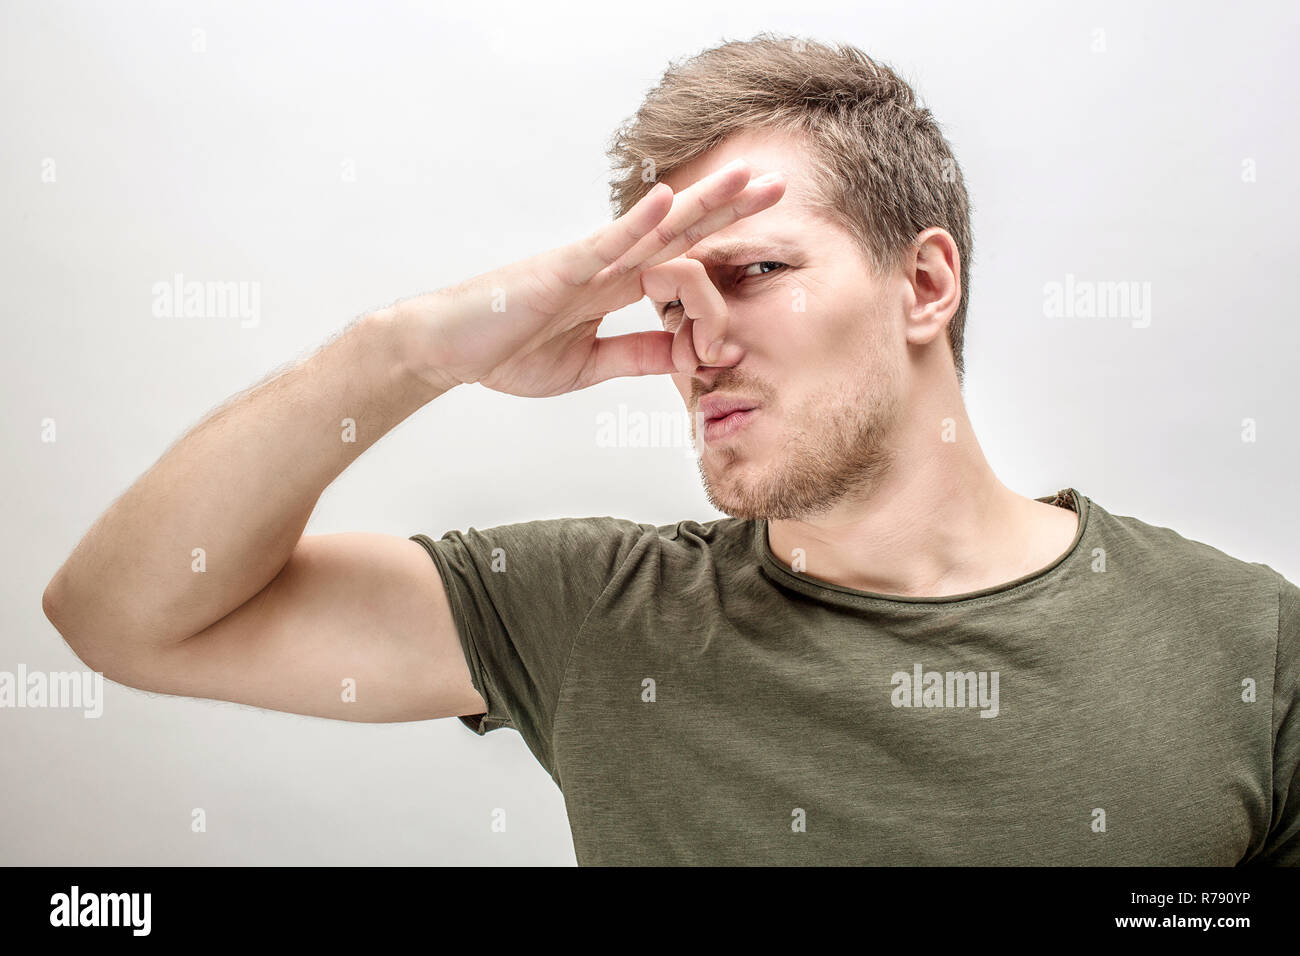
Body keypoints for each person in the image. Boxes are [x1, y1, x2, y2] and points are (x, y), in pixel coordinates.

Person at [42, 34, 1298, 865]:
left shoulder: (1248, 644)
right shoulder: (597, 616)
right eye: (674, 301)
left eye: (751, 273)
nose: (698, 345)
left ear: (923, 282)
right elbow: (124, 619)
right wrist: (405, 352)